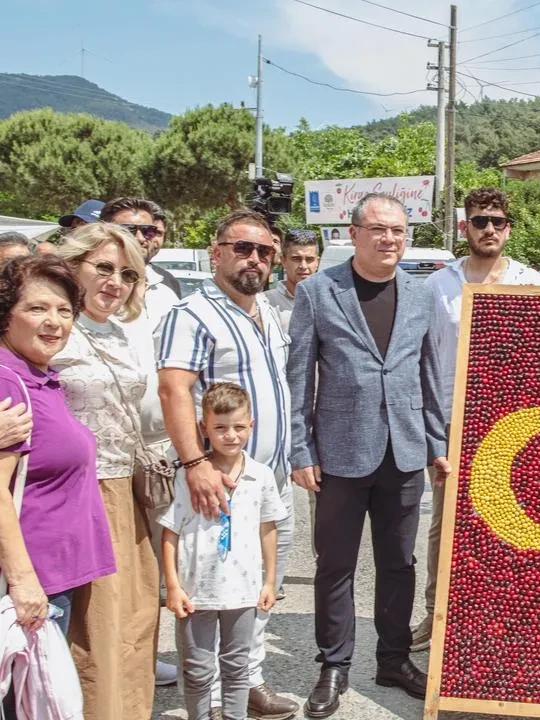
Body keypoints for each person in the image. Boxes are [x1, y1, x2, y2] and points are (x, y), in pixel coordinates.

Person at [288, 192, 450, 717]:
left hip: (403, 452)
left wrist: (436, 444)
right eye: (378, 230)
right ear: (352, 234)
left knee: (399, 564)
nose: (389, 240)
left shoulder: (421, 294)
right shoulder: (318, 291)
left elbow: (427, 375)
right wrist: (300, 447)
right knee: (334, 564)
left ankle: (393, 659)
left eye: (399, 231)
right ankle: (333, 666)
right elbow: (299, 377)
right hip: (339, 452)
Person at [156, 209, 297, 720]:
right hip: (216, 484)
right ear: (216, 253)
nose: (254, 259)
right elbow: (174, 388)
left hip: (266, 481)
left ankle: (248, 682)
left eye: (263, 250)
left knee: (256, 585)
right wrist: (195, 462)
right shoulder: (192, 313)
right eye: (242, 248)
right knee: (209, 590)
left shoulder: (269, 315)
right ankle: (213, 700)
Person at [412, 187, 540, 655]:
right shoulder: (437, 286)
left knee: (509, 523)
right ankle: (436, 616)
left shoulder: (534, 284)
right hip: (454, 423)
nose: (488, 229)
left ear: (509, 228)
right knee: (445, 523)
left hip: (515, 427)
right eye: (479, 221)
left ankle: (504, 617)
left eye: (497, 221)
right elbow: (423, 361)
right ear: (464, 227)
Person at [49, 224, 159, 718]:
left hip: (125, 490)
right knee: (91, 627)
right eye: (104, 268)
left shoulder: (120, 332)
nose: (116, 282)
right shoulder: (52, 327)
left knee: (133, 619)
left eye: (127, 273)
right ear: (72, 266)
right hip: (72, 494)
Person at [0, 255, 114, 638]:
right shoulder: (8, 384)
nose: (55, 322)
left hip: (50, 576)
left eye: (64, 310)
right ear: (6, 314)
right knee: (24, 698)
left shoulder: (39, 376)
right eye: (37, 308)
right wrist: (22, 580)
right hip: (27, 584)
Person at [160, 383, 286, 720]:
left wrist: (269, 581)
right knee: (198, 669)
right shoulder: (192, 478)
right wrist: (172, 586)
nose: (230, 436)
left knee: (237, 666)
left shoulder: (260, 476)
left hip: (243, 592)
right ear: (204, 428)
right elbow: (170, 533)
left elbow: (268, 528)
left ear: (251, 426)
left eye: (239, 427)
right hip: (197, 591)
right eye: (220, 428)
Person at [108, 199, 183, 687]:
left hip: (159, 449)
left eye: (154, 229)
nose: (146, 236)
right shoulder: (89, 287)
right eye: (133, 228)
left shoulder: (168, 290)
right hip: (106, 451)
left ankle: (143, 658)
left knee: (154, 565)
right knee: (112, 564)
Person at [101, 198, 181, 297]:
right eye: (128, 230)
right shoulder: (89, 285)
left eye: (148, 231)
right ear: (103, 233)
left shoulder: (166, 291)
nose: (140, 238)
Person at [262, 230, 319, 334]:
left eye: (309, 259)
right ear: (283, 261)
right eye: (296, 259)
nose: (303, 266)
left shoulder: (330, 302)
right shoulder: (264, 302)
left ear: (317, 262)